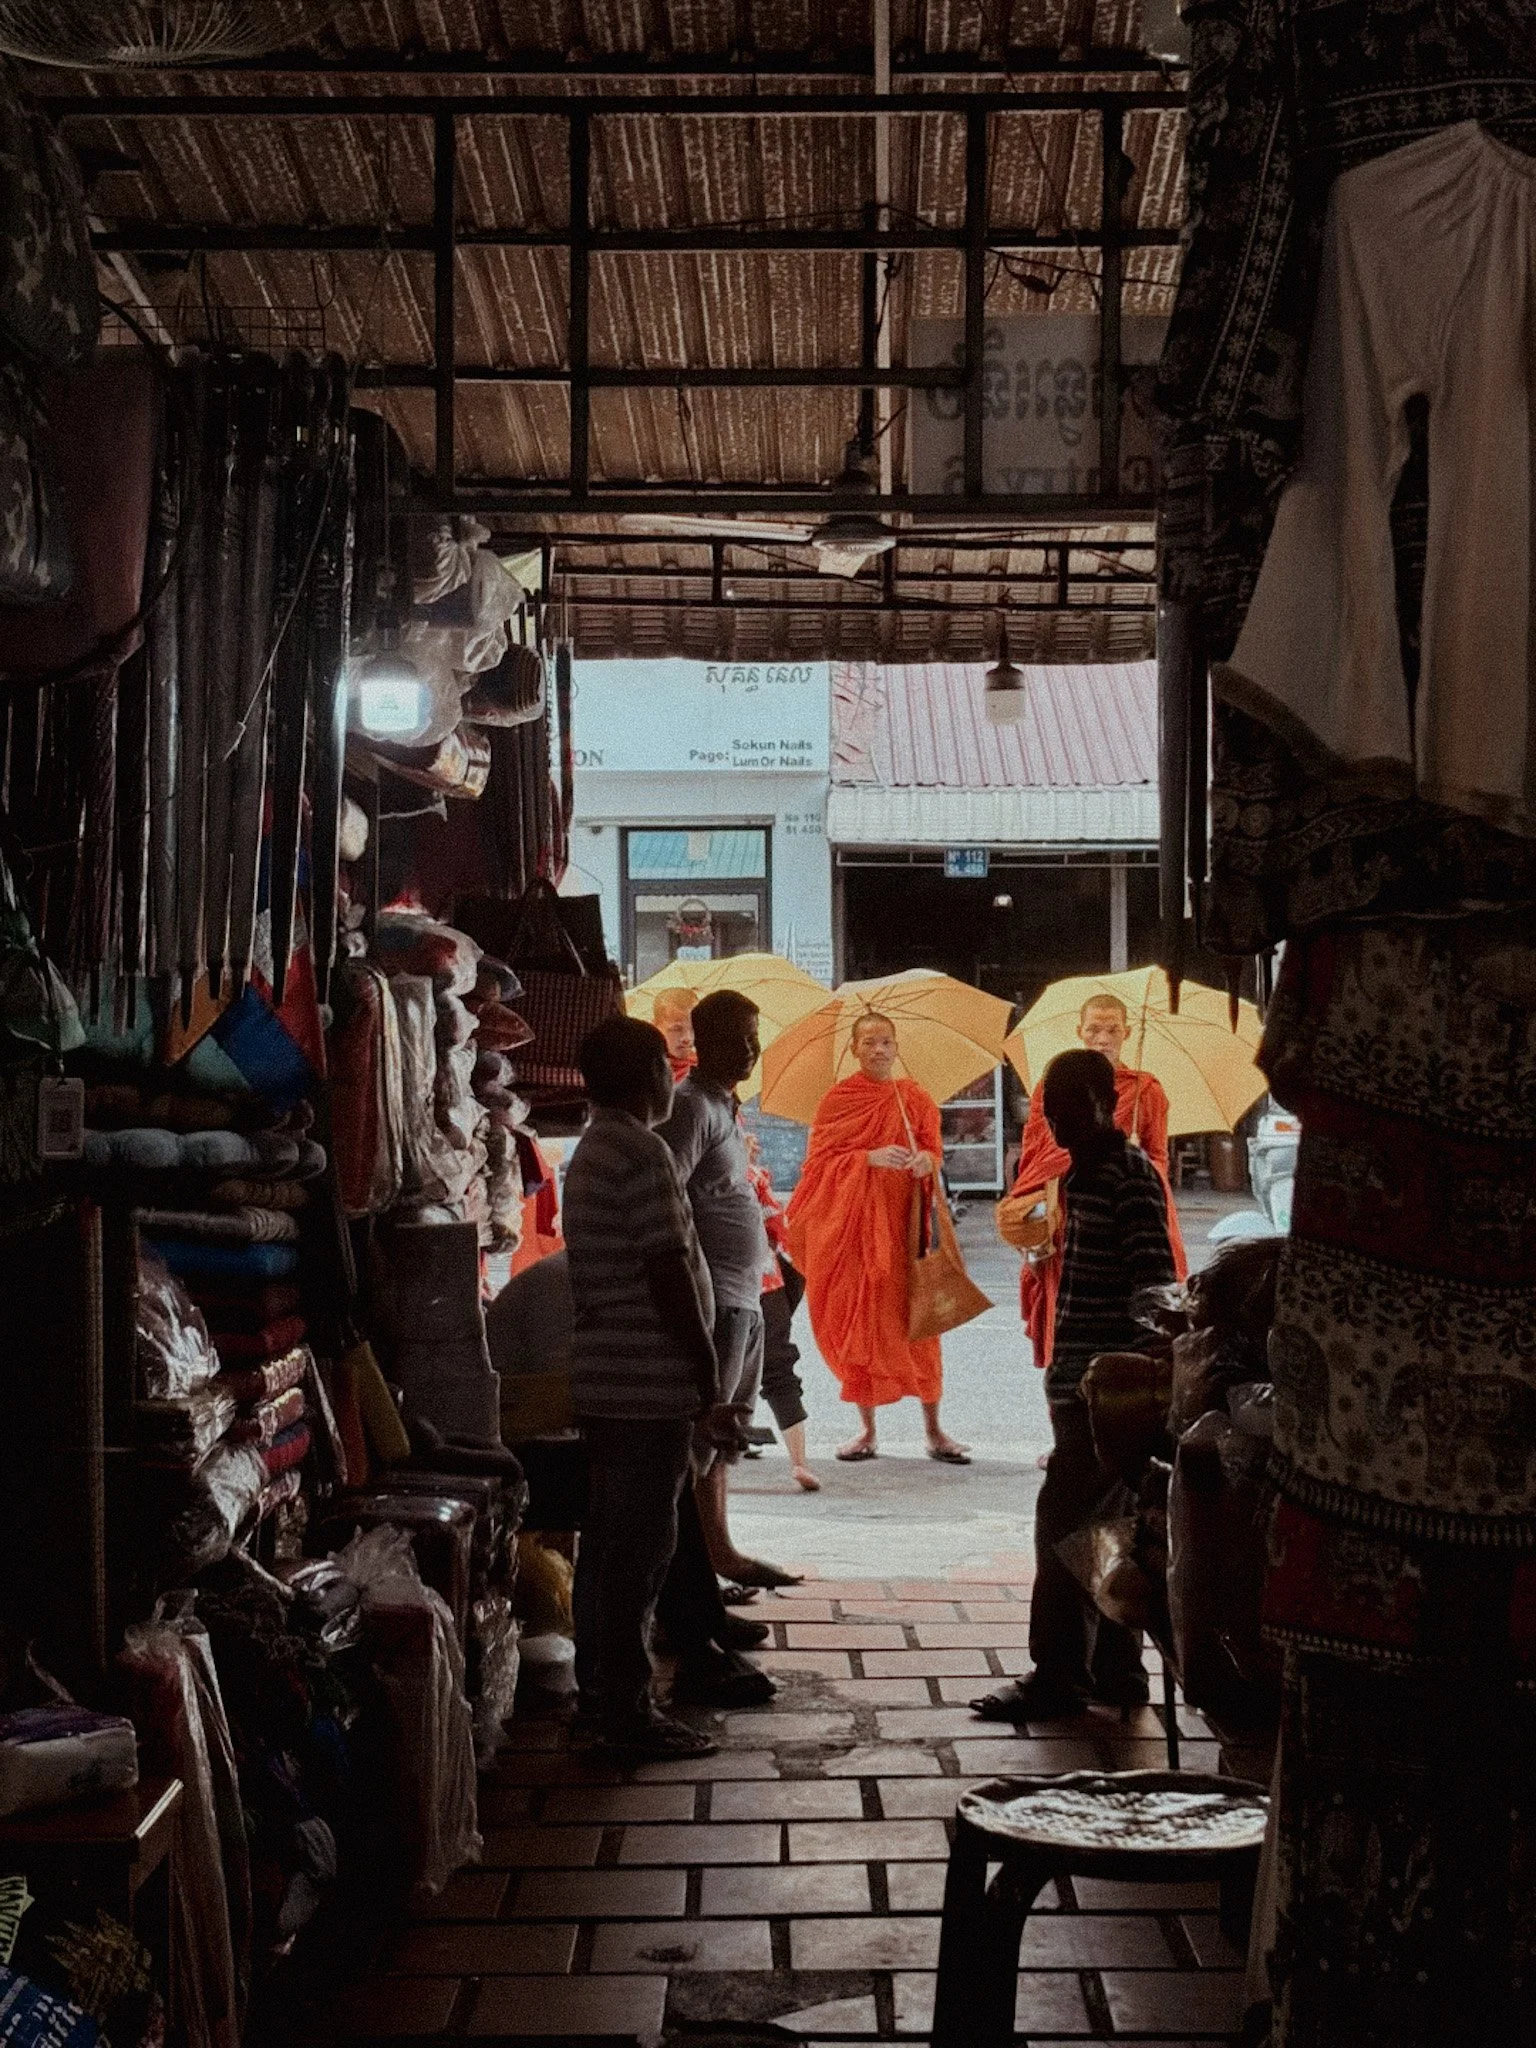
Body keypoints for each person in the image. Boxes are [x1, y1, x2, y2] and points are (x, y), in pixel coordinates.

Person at [562, 1014, 769, 1759]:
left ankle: (601, 1696)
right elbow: (669, 1268)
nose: (671, 1077)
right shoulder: (641, 1150)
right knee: (639, 1553)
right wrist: (704, 1373)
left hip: (609, 1381)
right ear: (648, 1073)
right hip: (645, 1383)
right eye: (663, 1064)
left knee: (610, 1548)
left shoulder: (594, 1149)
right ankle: (625, 1712)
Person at [973, 1048, 1176, 1722]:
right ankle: (1116, 1670)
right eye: (1050, 1117)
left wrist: (1129, 1384)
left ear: (1106, 1103)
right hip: (1079, 1382)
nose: (1059, 1130)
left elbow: (1153, 1290)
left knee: (1065, 1522)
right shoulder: (1082, 1177)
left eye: (1072, 1113)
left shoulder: (1128, 1176)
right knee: (1103, 1527)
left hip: (1104, 1389)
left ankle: (1058, 1674)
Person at [485, 1248, 777, 1706]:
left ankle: (697, 1632)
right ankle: (685, 1648)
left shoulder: (594, 1284)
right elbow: (573, 1400)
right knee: (651, 1479)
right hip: (514, 1455)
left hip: (534, 1440)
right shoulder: (581, 1291)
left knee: (661, 1471)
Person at [658, 990, 804, 1590]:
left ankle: (720, 1556)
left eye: (755, 1037)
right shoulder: (690, 1106)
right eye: (739, 1039)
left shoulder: (724, 1107)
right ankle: (690, 1590)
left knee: (721, 1439)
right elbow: (670, 1198)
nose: (751, 1050)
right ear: (704, 1041)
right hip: (714, 1297)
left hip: (743, 1295)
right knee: (699, 1439)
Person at [785, 1011, 970, 1464]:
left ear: (896, 1046)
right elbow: (817, 1168)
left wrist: (926, 1160)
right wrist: (866, 1158)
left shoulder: (913, 1098)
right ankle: (866, 1431)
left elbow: (934, 1150)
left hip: (907, 1227)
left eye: (885, 1041)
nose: (878, 1050)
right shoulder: (836, 1101)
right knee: (862, 1323)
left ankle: (934, 1430)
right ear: (854, 1049)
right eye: (868, 1042)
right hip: (856, 1231)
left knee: (920, 1324)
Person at [1010, 992, 1187, 1374]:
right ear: (1080, 1031)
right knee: (1067, 1316)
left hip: (1126, 1215)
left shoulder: (1145, 1091)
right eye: (1094, 1029)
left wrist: (1136, 1160)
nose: (1102, 1038)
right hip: (1062, 1214)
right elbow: (1033, 1155)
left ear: (1126, 1032)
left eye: (1111, 1030)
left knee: (1129, 1319)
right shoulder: (1052, 1084)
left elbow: (1160, 1158)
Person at [744, 1130, 819, 1492]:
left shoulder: (689, 1176)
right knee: (778, 1367)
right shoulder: (753, 1177)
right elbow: (779, 1228)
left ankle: (710, 1463)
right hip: (764, 1283)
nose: (755, 1141)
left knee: (715, 1372)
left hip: (711, 1287)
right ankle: (799, 1462)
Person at [652, 987, 699, 1082]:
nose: (687, 1038)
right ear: (655, 1026)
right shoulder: (645, 1072)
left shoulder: (706, 1070)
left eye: (693, 1028)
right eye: (676, 1029)